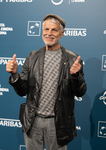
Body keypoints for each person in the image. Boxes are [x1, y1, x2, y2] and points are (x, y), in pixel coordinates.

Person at [6, 14, 87, 150]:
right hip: (33, 120)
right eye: (46, 29)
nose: (49, 33)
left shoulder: (73, 59)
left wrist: (75, 76)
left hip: (57, 123)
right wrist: (15, 75)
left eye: (54, 30)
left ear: (62, 33)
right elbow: (22, 91)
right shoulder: (32, 56)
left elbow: (81, 92)